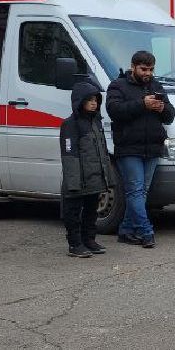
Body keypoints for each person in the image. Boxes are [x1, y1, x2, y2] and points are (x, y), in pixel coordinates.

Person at [106, 50, 175, 249]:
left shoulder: (156, 86)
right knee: (136, 191)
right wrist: (142, 104)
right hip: (128, 148)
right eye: (144, 69)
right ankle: (146, 231)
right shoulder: (118, 85)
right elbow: (114, 111)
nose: (148, 73)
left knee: (140, 192)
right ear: (133, 67)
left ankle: (126, 230)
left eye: (151, 69)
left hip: (152, 148)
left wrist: (162, 108)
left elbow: (171, 115)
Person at [59, 82, 115, 258]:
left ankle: (89, 240)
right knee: (73, 212)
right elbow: (69, 154)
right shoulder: (70, 124)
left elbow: (103, 152)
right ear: (79, 101)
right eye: (89, 100)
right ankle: (75, 244)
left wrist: (108, 177)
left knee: (91, 211)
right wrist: (73, 182)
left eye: (96, 100)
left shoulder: (96, 122)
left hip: (94, 179)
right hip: (78, 180)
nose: (94, 103)